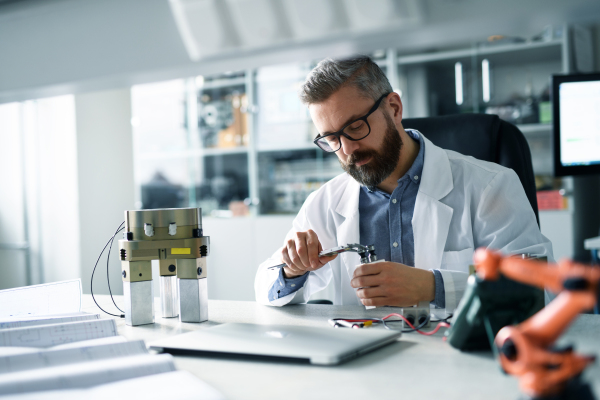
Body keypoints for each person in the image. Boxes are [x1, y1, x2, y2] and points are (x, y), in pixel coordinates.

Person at [254, 55, 553, 312]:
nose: (346, 150)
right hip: (363, 366)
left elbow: (539, 289)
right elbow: (265, 289)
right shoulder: (326, 203)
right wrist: (292, 271)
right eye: (331, 139)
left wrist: (434, 287)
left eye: (355, 127)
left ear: (394, 108)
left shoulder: (489, 185)